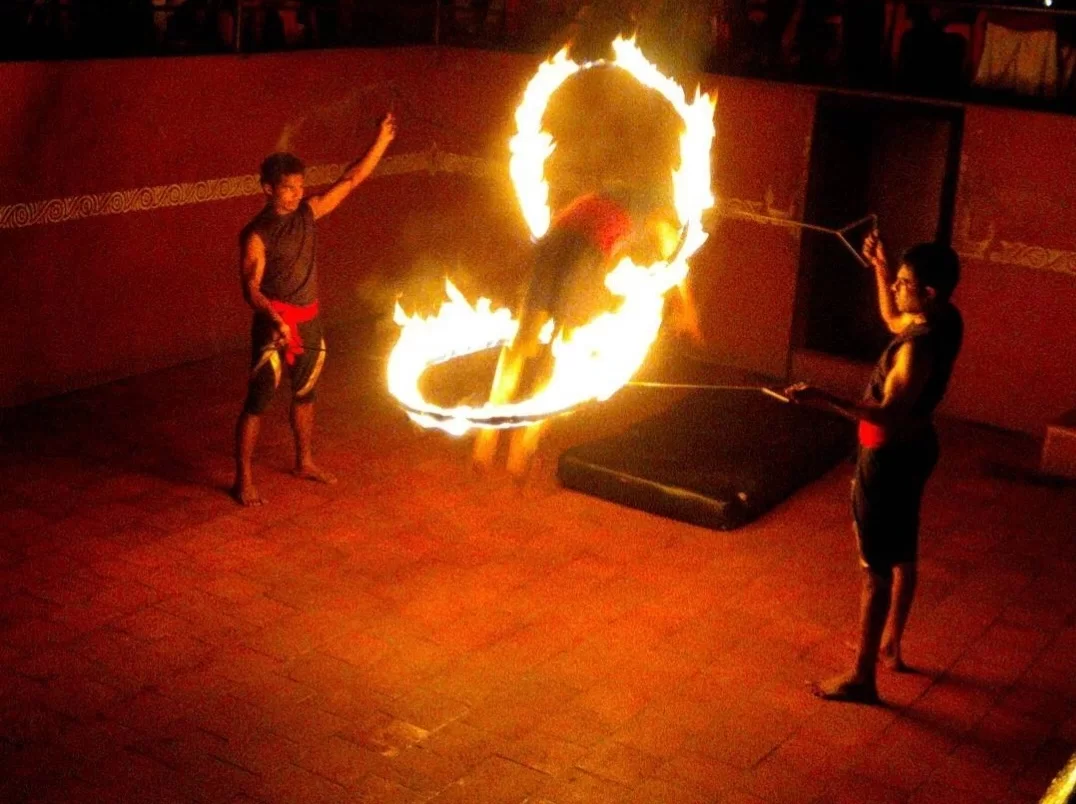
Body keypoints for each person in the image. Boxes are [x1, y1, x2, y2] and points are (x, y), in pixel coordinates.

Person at [784, 231, 963, 703]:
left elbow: (887, 411)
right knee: (903, 550)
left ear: (929, 293)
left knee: (877, 567)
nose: (899, 290)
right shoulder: (945, 319)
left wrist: (823, 397)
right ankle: (891, 646)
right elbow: (892, 318)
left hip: (890, 454)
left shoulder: (916, 349)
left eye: (906, 283)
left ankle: (862, 675)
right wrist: (881, 272)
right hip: (919, 445)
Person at [232, 113, 397, 506]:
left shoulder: (309, 213)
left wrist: (382, 142)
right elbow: (251, 286)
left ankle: (304, 461)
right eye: (287, 188)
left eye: (299, 186)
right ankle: (243, 479)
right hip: (276, 327)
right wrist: (272, 317)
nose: (295, 193)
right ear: (267, 188)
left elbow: (351, 179)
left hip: (310, 322)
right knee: (257, 403)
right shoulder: (257, 233)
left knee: (306, 395)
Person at [473, 184, 683, 476]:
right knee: (565, 353)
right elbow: (672, 250)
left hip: (553, 241)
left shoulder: (607, 194)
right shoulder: (657, 202)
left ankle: (485, 443)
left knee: (521, 342)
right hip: (585, 250)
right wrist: (687, 307)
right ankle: (522, 452)